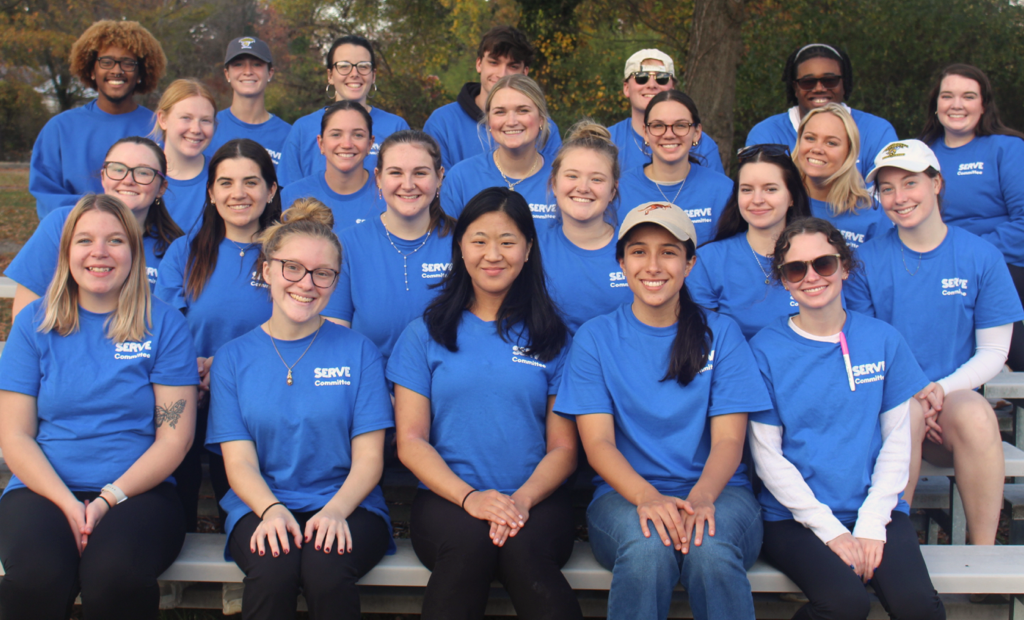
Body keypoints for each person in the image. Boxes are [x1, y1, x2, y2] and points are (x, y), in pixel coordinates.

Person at [555, 201, 771, 620]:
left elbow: (729, 440)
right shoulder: (595, 338)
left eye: (669, 252)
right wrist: (647, 498)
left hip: (720, 494)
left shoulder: (720, 333)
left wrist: (703, 498)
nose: (653, 265)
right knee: (647, 550)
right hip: (624, 496)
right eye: (638, 251)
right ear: (621, 262)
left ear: (690, 263)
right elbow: (598, 443)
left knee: (708, 549)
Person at [0, 193, 198, 620]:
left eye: (115, 241)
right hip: (43, 489)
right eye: (85, 240)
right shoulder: (33, 325)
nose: (100, 253)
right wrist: (69, 504)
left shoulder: (164, 324)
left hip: (139, 491)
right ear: (67, 251)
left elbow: (174, 436)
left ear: (133, 250)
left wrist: (107, 499)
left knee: (115, 577)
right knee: (35, 576)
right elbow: (14, 435)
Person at [387, 188, 582, 620]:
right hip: (446, 499)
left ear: (529, 249)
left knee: (524, 551)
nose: (493, 254)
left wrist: (521, 501)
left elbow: (564, 449)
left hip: (537, 499)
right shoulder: (425, 334)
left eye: (508, 241)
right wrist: (471, 498)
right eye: (479, 240)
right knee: (468, 547)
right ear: (460, 248)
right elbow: (412, 440)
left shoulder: (554, 338)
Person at [748, 216, 943, 620]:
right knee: (844, 605)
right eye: (796, 269)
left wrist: (871, 523)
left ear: (845, 266)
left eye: (824, 263)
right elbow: (768, 458)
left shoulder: (882, 338)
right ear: (783, 280)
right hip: (793, 518)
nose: (811, 277)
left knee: (919, 608)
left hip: (876, 509)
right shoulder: (764, 350)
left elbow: (897, 442)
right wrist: (832, 531)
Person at [208, 199, 393, 620]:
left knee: (326, 570)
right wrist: (271, 510)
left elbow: (368, 459)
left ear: (334, 281)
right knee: (273, 571)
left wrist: (335, 511)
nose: (306, 283)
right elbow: (239, 463)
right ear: (267, 270)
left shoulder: (359, 352)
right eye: (293, 267)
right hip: (260, 504)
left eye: (322, 274)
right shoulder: (234, 358)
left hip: (349, 504)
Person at [845, 140, 1023, 548]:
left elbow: (995, 352)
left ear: (937, 183)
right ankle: (892, 553)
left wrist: (938, 391)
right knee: (905, 414)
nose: (898, 198)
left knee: (979, 415)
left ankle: (983, 555)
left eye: (910, 183)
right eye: (886, 188)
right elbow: (865, 345)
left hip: (950, 401)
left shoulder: (981, 255)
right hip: (884, 401)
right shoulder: (866, 260)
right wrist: (913, 396)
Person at [155, 139, 282, 531]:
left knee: (245, 469)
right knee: (176, 458)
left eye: (251, 182)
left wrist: (226, 368)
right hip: (193, 386)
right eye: (226, 183)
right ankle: (172, 559)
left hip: (266, 387)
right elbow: (168, 325)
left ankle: (242, 564)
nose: (238, 194)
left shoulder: (288, 252)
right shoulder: (185, 251)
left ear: (271, 190)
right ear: (211, 193)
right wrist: (191, 370)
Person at [6, 136, 183, 319]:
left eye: (143, 173)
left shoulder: (175, 247)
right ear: (103, 177)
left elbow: (174, 322)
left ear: (162, 187)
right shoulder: (62, 223)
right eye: (117, 169)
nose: (128, 180)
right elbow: (24, 316)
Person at [920, 63, 1024, 370]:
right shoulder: (921, 154)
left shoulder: (1007, 148)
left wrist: (969, 253)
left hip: (1003, 261)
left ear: (983, 105)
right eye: (947, 96)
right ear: (935, 104)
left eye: (968, 96)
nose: (956, 105)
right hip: (933, 263)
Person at [323, 130, 454, 360]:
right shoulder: (347, 245)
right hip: (373, 388)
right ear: (379, 178)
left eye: (420, 173)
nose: (408, 184)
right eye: (396, 173)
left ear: (440, 176)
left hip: (445, 387)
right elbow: (336, 341)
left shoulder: (463, 242)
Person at [29, 20, 165, 219]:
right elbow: (48, 197)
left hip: (145, 238)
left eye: (128, 63)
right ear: (92, 71)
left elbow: (171, 191)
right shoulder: (59, 129)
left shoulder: (159, 127)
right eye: (106, 62)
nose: (117, 70)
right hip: (77, 238)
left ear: (140, 74)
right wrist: (100, 217)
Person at [687, 144, 810, 340]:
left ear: (792, 197)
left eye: (770, 189)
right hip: (734, 368)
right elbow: (702, 340)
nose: (757, 199)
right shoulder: (708, 261)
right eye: (747, 190)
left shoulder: (817, 256)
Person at [744, 43, 897, 181]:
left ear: (845, 83)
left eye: (830, 80)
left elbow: (888, 195)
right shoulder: (766, 134)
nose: (819, 88)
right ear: (795, 88)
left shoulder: (878, 130)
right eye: (808, 82)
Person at [423, 25, 561, 172]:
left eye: (513, 66)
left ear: (525, 72)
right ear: (479, 64)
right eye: (494, 63)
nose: (502, 74)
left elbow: (555, 183)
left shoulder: (543, 127)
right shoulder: (442, 122)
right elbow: (437, 185)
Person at [537, 120, 632, 333]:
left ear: (613, 190)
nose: (583, 188)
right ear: (554, 183)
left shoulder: (635, 251)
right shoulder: (533, 251)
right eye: (572, 176)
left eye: (597, 179)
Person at [278, 35, 409, 185]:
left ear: (373, 76)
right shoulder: (303, 129)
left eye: (363, 66)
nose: (354, 74)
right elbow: (289, 195)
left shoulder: (396, 127)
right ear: (330, 75)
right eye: (344, 66)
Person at [615, 91, 733, 245]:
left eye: (680, 125)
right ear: (645, 132)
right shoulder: (620, 191)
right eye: (658, 125)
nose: (669, 134)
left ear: (697, 133)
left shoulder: (723, 191)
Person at [441, 75, 558, 223]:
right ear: (489, 121)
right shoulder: (461, 178)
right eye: (500, 112)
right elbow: (445, 242)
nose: (511, 122)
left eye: (522, 110)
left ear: (541, 118)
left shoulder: (563, 177)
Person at [608, 49, 724, 174]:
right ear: (626, 88)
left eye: (661, 78)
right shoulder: (607, 141)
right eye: (641, 78)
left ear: (672, 88)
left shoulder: (703, 144)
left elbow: (717, 190)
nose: (651, 85)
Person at [793, 103, 888, 249]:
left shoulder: (872, 215)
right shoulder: (778, 201)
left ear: (850, 152)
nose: (817, 149)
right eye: (810, 138)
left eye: (831, 143)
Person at [281, 101, 381, 232]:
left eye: (358, 135)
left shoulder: (388, 194)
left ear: (370, 144)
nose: (346, 144)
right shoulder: (293, 195)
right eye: (336, 134)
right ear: (321, 143)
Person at [208, 37, 292, 170]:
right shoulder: (208, 127)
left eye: (257, 64)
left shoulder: (289, 136)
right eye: (238, 64)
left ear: (270, 73)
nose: (248, 72)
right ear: (227, 74)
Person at [153, 79, 218, 234]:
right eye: (186, 118)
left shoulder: (222, 177)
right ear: (163, 119)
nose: (196, 129)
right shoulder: (140, 176)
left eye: (205, 120)